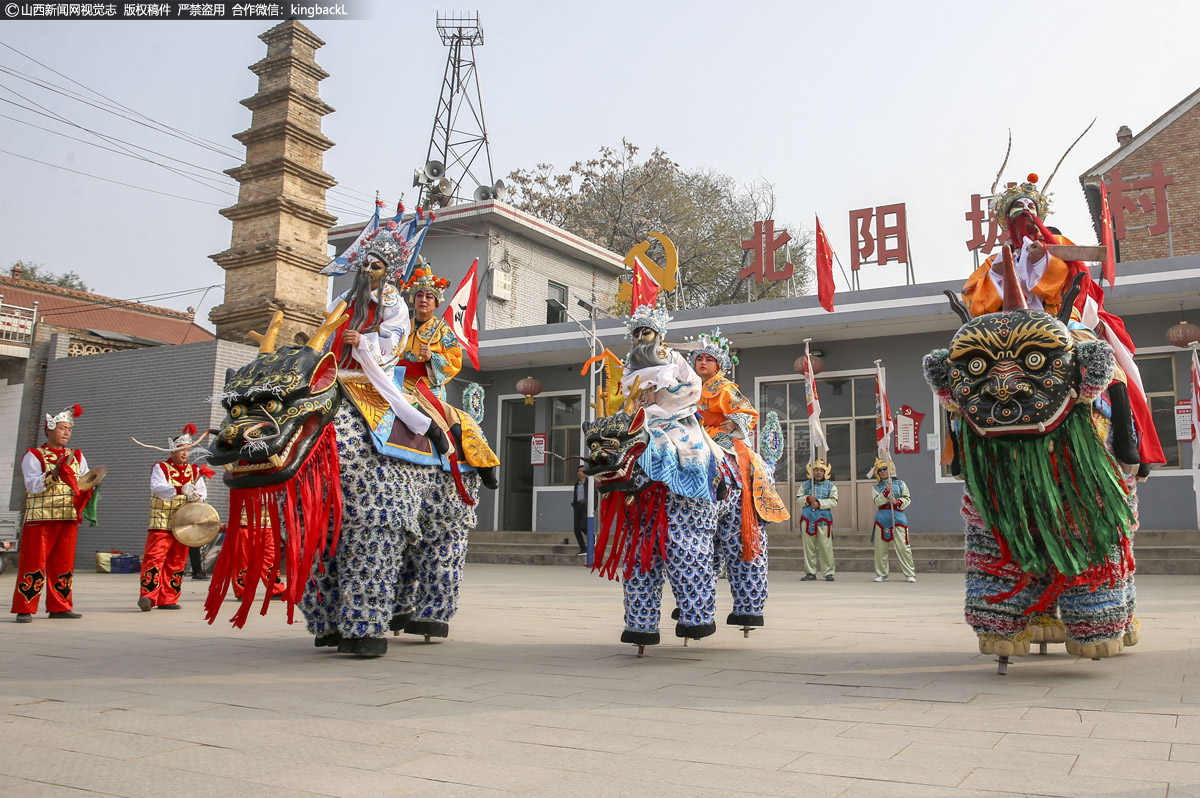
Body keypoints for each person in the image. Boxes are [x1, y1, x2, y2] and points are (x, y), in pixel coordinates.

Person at [690, 327, 787, 628]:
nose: (703, 363)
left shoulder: (725, 388)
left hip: (722, 443)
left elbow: (747, 414)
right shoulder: (687, 388)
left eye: (708, 359)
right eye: (699, 359)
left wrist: (726, 429)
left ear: (718, 365)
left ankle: (748, 603)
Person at [11, 404, 93, 622]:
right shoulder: (34, 455)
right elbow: (33, 486)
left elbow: (84, 481)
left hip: (67, 517)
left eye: (69, 429)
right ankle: (25, 608)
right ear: (49, 429)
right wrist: (55, 472)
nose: (67, 432)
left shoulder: (76, 455)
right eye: (62, 428)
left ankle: (60, 606)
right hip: (41, 519)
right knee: (33, 563)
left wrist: (92, 486)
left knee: (63, 564)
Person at [136, 425, 209, 611]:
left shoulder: (194, 470)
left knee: (177, 560)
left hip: (184, 523)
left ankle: (168, 598)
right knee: (154, 558)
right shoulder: (161, 467)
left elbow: (202, 493)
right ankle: (149, 596)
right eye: (182, 449)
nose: (185, 453)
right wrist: (179, 489)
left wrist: (195, 496)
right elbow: (157, 488)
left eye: (188, 450)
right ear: (173, 449)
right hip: (162, 520)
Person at [400, 263, 461, 402]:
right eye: (419, 295)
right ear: (413, 300)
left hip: (429, 390)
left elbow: (456, 361)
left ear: (436, 304)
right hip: (399, 386)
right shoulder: (402, 327)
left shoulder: (443, 331)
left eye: (429, 297)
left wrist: (432, 357)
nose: (423, 300)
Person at [871, 459, 916, 583]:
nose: (883, 471)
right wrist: (886, 491)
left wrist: (897, 502)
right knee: (880, 549)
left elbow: (907, 498)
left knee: (903, 547)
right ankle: (881, 573)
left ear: (890, 469)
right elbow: (877, 501)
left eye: (885, 469)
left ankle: (909, 573)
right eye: (880, 470)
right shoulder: (876, 487)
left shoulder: (901, 484)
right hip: (882, 518)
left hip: (898, 516)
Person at [797, 459, 838, 582]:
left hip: (824, 520)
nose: (818, 473)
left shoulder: (831, 486)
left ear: (825, 472)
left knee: (826, 547)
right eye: (816, 470)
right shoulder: (805, 485)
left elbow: (834, 501)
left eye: (821, 470)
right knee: (808, 547)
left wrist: (819, 503)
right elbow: (798, 499)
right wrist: (808, 499)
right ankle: (810, 572)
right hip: (808, 519)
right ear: (812, 471)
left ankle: (829, 572)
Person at [571, 465, 589, 555]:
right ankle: (583, 549)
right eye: (578, 471)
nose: (579, 473)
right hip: (577, 506)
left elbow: (594, 496)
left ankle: (593, 537)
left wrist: (593, 507)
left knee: (583, 527)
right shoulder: (577, 484)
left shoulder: (589, 483)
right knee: (576, 529)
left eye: (581, 471)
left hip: (585, 507)